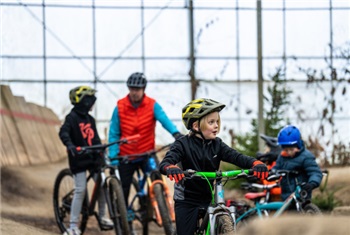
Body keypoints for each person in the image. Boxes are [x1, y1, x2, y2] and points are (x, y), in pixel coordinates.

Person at [158, 98, 269, 235]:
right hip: (187, 200)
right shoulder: (182, 144)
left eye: (217, 121)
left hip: (209, 197)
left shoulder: (217, 144)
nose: (216, 125)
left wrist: (255, 163)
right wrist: (170, 168)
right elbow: (166, 162)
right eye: (211, 122)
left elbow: (236, 157)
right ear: (196, 126)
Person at [108, 72, 183, 205]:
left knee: (157, 177)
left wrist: (175, 133)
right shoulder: (120, 107)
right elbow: (114, 132)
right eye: (132, 89)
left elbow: (164, 120)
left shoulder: (152, 105)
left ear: (143, 89)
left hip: (147, 152)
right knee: (123, 188)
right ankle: (124, 218)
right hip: (126, 155)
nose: (134, 92)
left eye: (137, 89)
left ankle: (154, 206)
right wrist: (113, 156)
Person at [59, 86, 113, 235]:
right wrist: (70, 145)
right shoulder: (72, 118)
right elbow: (63, 132)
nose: (92, 103)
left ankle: (103, 217)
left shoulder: (91, 119)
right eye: (90, 100)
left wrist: (101, 150)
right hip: (79, 160)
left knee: (102, 185)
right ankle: (73, 227)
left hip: (92, 159)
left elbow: (94, 138)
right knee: (80, 189)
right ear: (83, 102)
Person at [272, 125, 323, 201]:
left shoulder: (306, 157)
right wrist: (272, 173)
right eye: (286, 150)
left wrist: (312, 183)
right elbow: (276, 168)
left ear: (298, 145)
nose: (289, 152)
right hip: (286, 196)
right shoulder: (282, 156)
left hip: (301, 195)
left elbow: (315, 172)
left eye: (291, 149)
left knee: (301, 211)